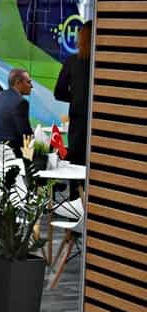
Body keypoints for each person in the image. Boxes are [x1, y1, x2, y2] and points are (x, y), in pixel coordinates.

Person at [54, 21, 92, 198]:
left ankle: (74, 202)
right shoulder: (105, 62)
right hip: (98, 125)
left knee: (76, 167)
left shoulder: (72, 62)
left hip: (77, 124)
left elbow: (59, 92)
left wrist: (76, 98)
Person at [0, 67, 34, 158]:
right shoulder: (21, 102)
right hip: (8, 152)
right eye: (28, 82)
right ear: (18, 83)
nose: (31, 86)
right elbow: (26, 135)